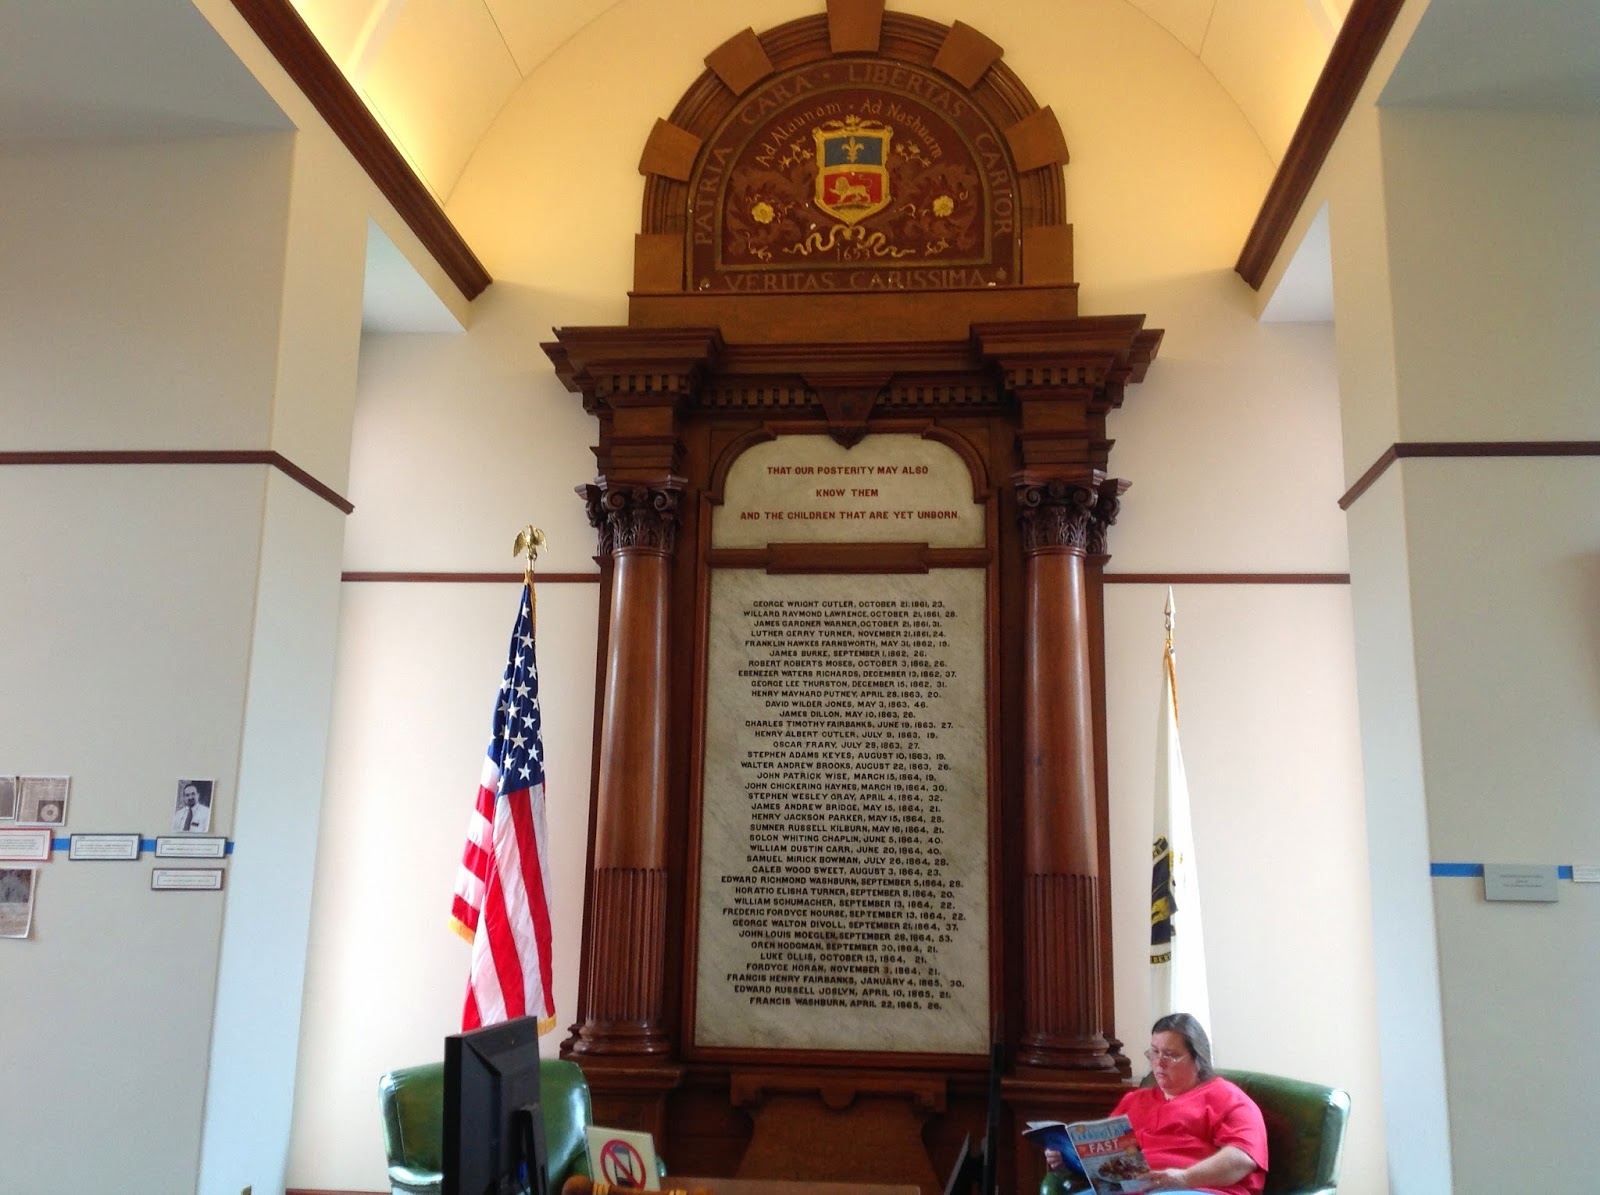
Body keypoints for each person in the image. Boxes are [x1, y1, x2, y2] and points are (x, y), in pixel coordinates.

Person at [1045, 1013, 1267, 1195]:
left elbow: (1241, 1159)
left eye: (1170, 1055)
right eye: (1154, 1052)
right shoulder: (1135, 1100)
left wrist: (1183, 1178)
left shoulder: (1229, 1098)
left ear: (1198, 1059)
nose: (1159, 1063)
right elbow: (1105, 1159)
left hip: (1195, 1188)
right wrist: (1069, 1158)